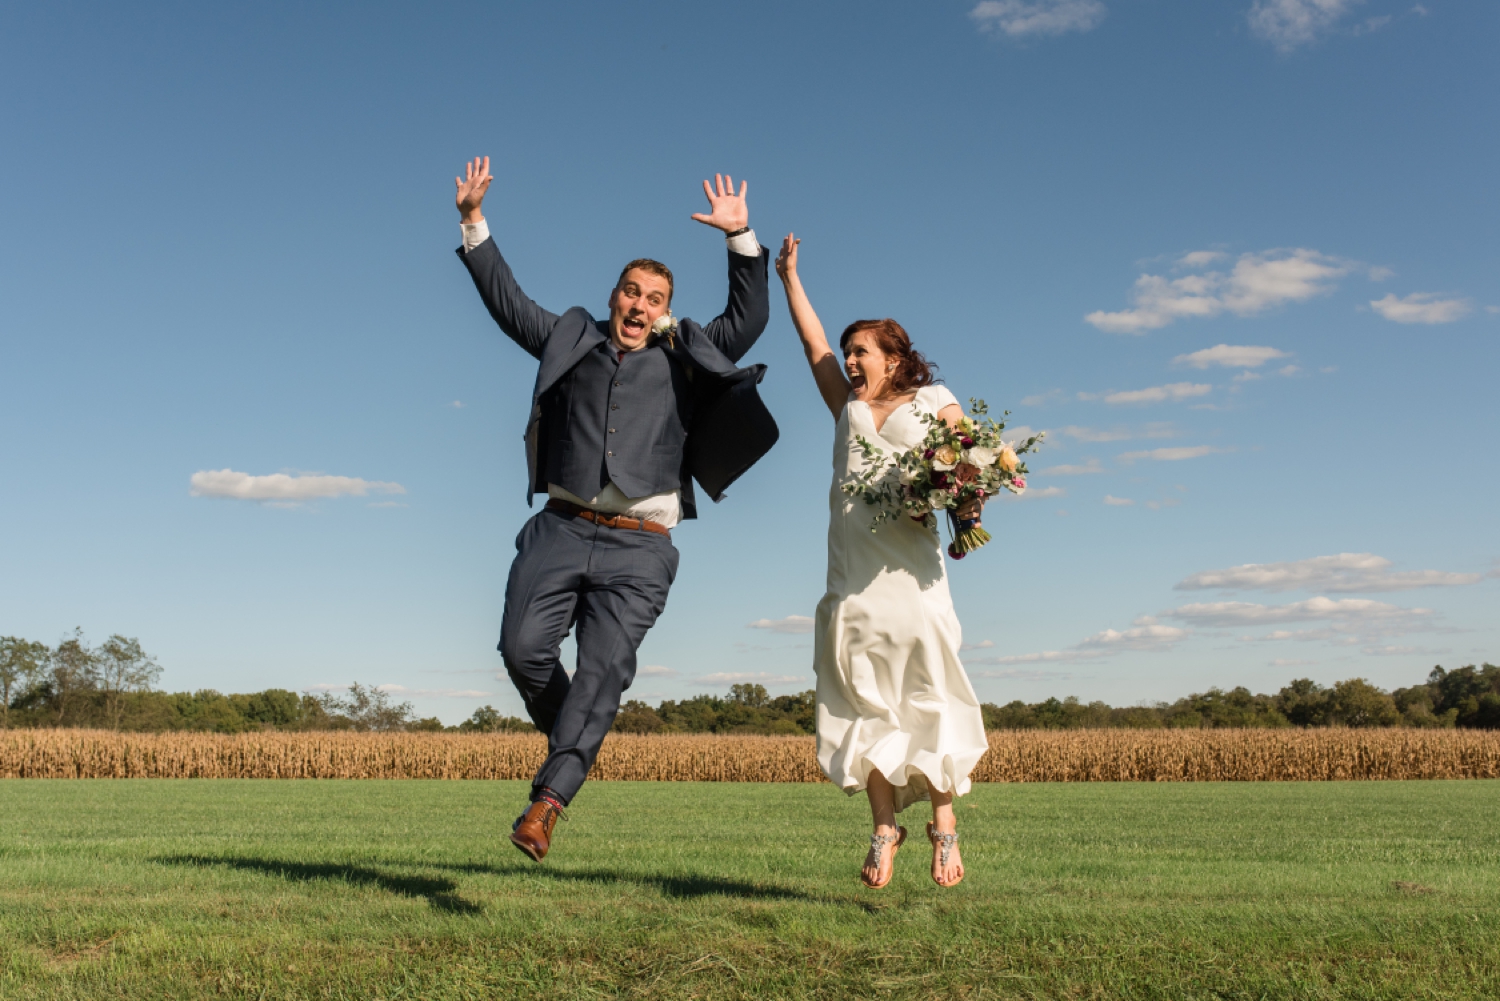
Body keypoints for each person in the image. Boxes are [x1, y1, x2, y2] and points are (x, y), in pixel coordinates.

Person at [453, 157, 776, 862]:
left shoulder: (687, 352)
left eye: (654, 297)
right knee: (521, 649)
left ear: (664, 308)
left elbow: (748, 317)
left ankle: (547, 803)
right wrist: (473, 221)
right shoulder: (573, 337)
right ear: (613, 296)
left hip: (640, 547)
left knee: (602, 670)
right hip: (562, 527)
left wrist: (740, 236)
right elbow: (508, 301)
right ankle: (574, 735)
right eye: (631, 292)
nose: (639, 305)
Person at [774, 233, 988, 889]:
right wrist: (789, 278)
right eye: (848, 353)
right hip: (855, 581)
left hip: (913, 578)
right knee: (864, 703)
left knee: (928, 698)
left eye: (861, 350)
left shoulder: (931, 399)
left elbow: (970, 455)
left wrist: (961, 496)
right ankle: (883, 829)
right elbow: (812, 347)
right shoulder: (847, 406)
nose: (848, 359)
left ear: (895, 358)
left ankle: (944, 830)